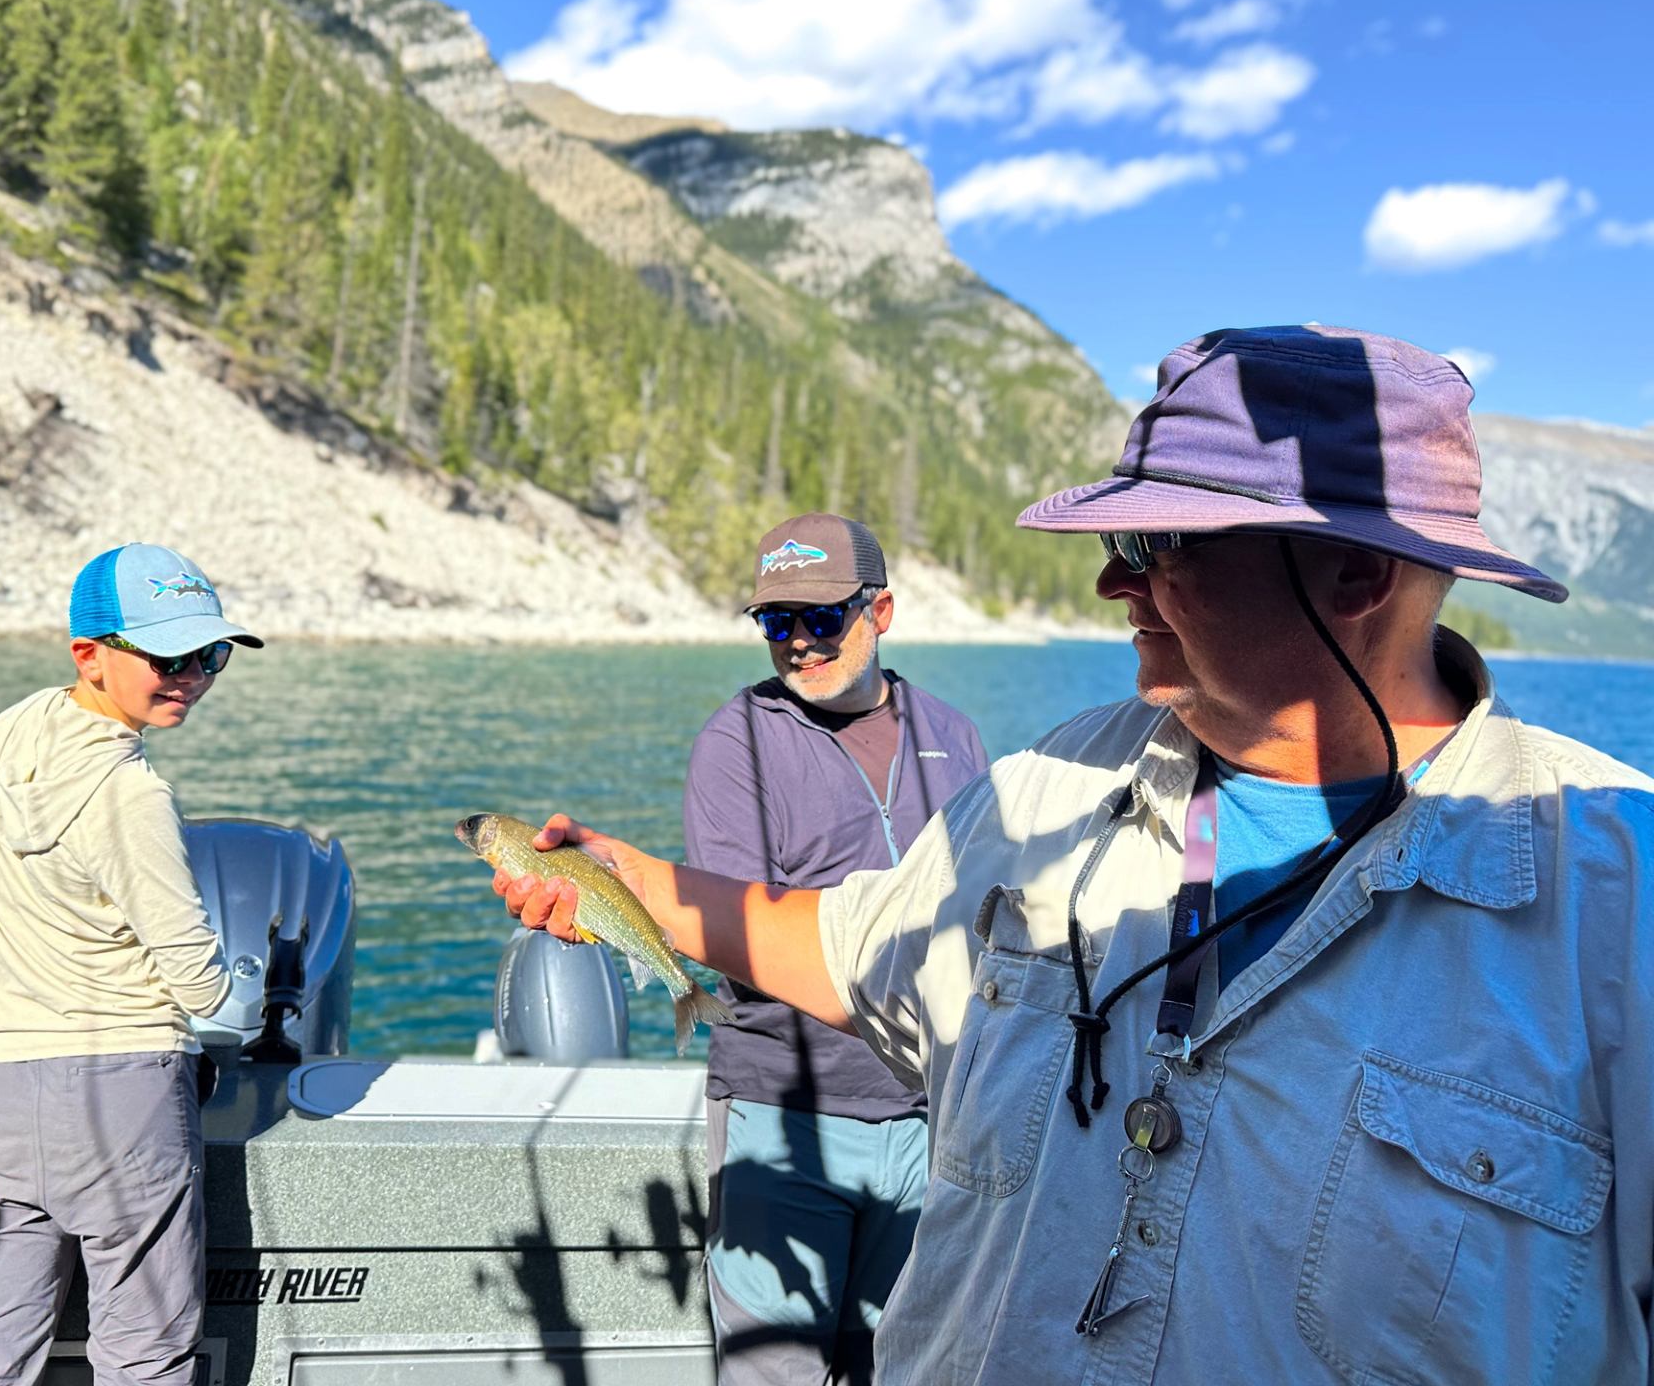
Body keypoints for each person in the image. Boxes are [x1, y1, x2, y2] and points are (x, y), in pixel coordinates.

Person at [494, 325, 1654, 1383]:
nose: (1112, 579)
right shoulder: (1053, 782)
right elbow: (849, 950)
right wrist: (632, 881)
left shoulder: (1619, 897)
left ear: (1357, 575)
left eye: (1160, 541)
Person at [0, 542, 262, 1386]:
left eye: (212, 654)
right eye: (168, 656)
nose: (192, 674)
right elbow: (197, 982)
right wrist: (248, 1001)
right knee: (145, 1356)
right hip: (124, 1099)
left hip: (0, 1098)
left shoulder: (7, 733)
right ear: (89, 652)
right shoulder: (133, 795)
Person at [689, 512, 986, 1384]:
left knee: (903, 1368)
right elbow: (747, 936)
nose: (799, 645)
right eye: (777, 623)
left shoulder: (957, 735)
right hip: (782, 1123)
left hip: (933, 1122)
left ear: (881, 610)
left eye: (823, 618)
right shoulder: (734, 743)